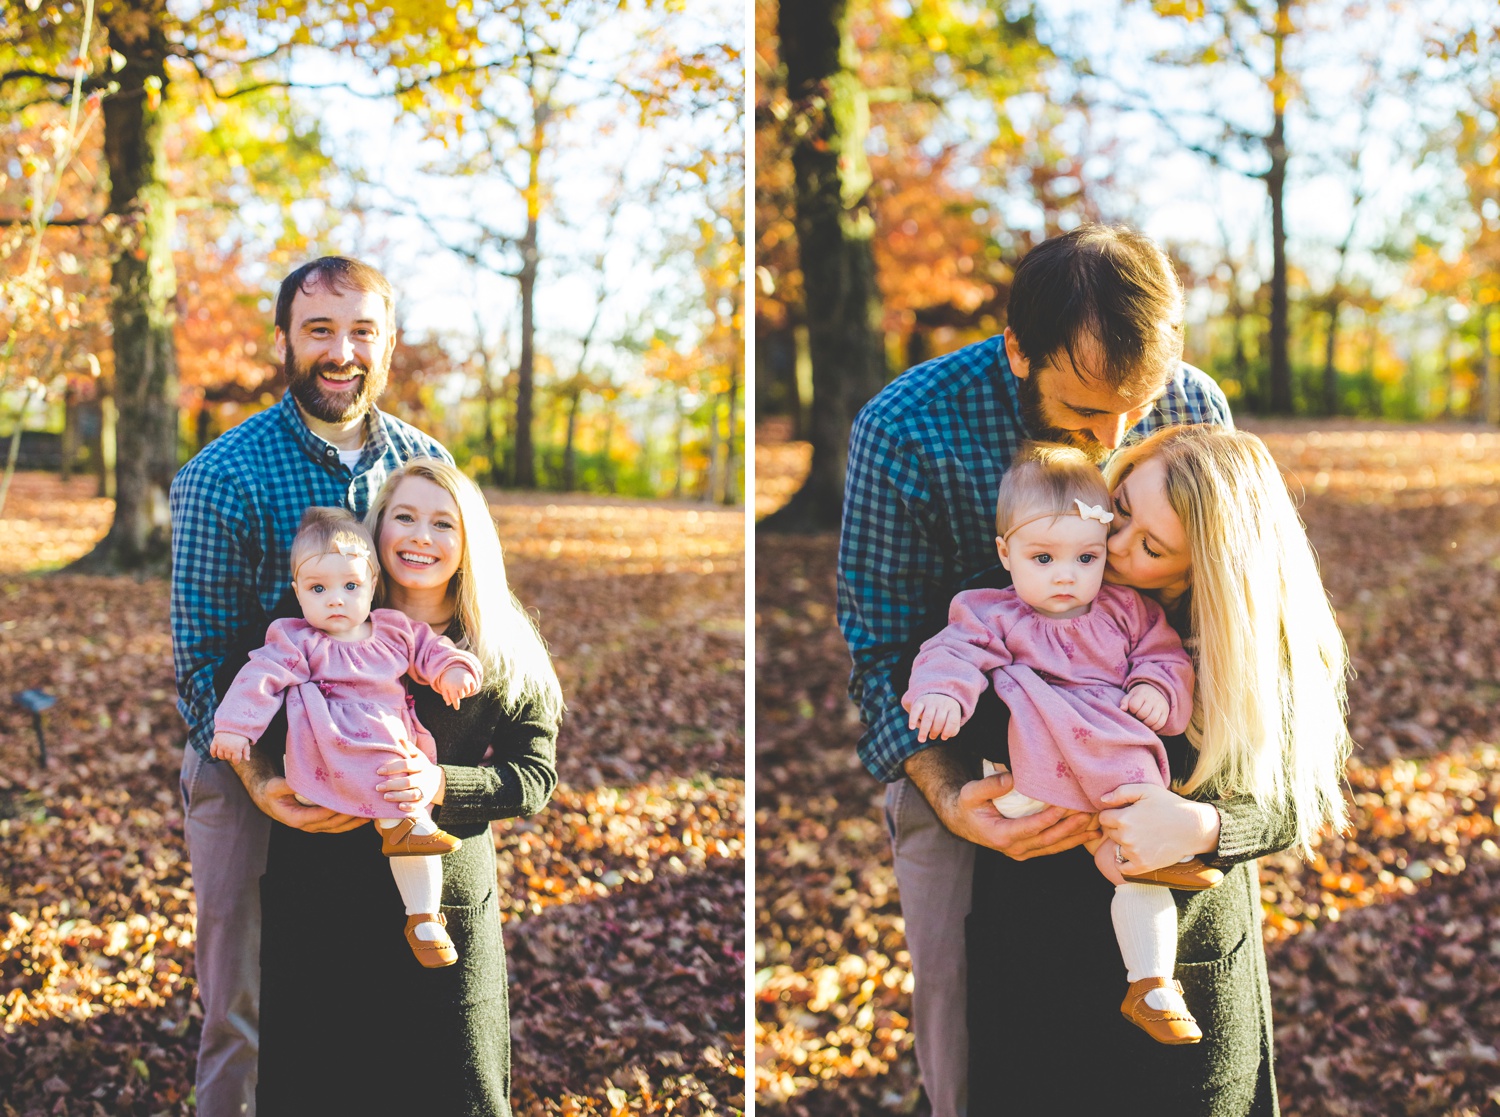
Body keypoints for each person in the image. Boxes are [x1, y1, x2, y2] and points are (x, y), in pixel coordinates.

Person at [837, 223, 1231, 1117]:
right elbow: (881, 645)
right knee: (967, 1024)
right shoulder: (906, 429)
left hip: (1141, 750)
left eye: (1139, 402)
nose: (1116, 436)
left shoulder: (1192, 407)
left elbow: (1217, 611)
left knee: (1145, 1004)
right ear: (1018, 350)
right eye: (1090, 411)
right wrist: (946, 795)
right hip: (972, 760)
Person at [960, 424, 1351, 1114]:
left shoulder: (1248, 651)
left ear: (1204, 569)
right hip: (1035, 961)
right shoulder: (1035, 579)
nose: (1113, 544)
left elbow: (1294, 798)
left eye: (1151, 546)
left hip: (1185, 978)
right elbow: (964, 692)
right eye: (1123, 507)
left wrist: (1199, 825)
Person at [170, 256, 451, 1116]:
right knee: (243, 1004)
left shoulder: (423, 466)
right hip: (252, 766)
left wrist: (438, 770)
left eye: (362, 330)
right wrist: (260, 778)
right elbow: (204, 659)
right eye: (320, 329)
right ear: (285, 340)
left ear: (389, 344)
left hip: (381, 762)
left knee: (377, 988)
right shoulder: (225, 474)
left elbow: (452, 622)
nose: (341, 351)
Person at [252, 457, 563, 1115]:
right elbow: (243, 692)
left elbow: (533, 776)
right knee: (323, 1088)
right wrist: (258, 780)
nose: (422, 536)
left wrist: (439, 781)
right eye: (405, 517)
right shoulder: (325, 605)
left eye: (442, 522)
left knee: (453, 1093)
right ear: (378, 528)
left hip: (442, 913)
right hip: (323, 897)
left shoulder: (501, 642)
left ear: (468, 540)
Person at [901, 444, 1211, 1047]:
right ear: (1006, 554)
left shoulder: (1129, 610)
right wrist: (943, 695)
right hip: (1032, 781)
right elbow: (951, 652)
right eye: (1042, 557)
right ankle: (1123, 853)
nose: (1066, 575)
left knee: (1138, 868)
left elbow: (1165, 657)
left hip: (1113, 784)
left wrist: (1153, 685)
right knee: (1118, 832)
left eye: (1086, 557)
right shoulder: (992, 612)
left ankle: (1151, 985)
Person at [211, 507, 483, 968]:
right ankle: (405, 826)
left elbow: (431, 649)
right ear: (297, 592)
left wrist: (453, 668)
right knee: (404, 801)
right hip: (334, 743)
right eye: (318, 589)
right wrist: (236, 729)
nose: (335, 600)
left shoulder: (395, 629)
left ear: (373, 584)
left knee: (407, 791)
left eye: (350, 586)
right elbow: (259, 678)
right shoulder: (296, 640)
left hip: (394, 748)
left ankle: (424, 919)